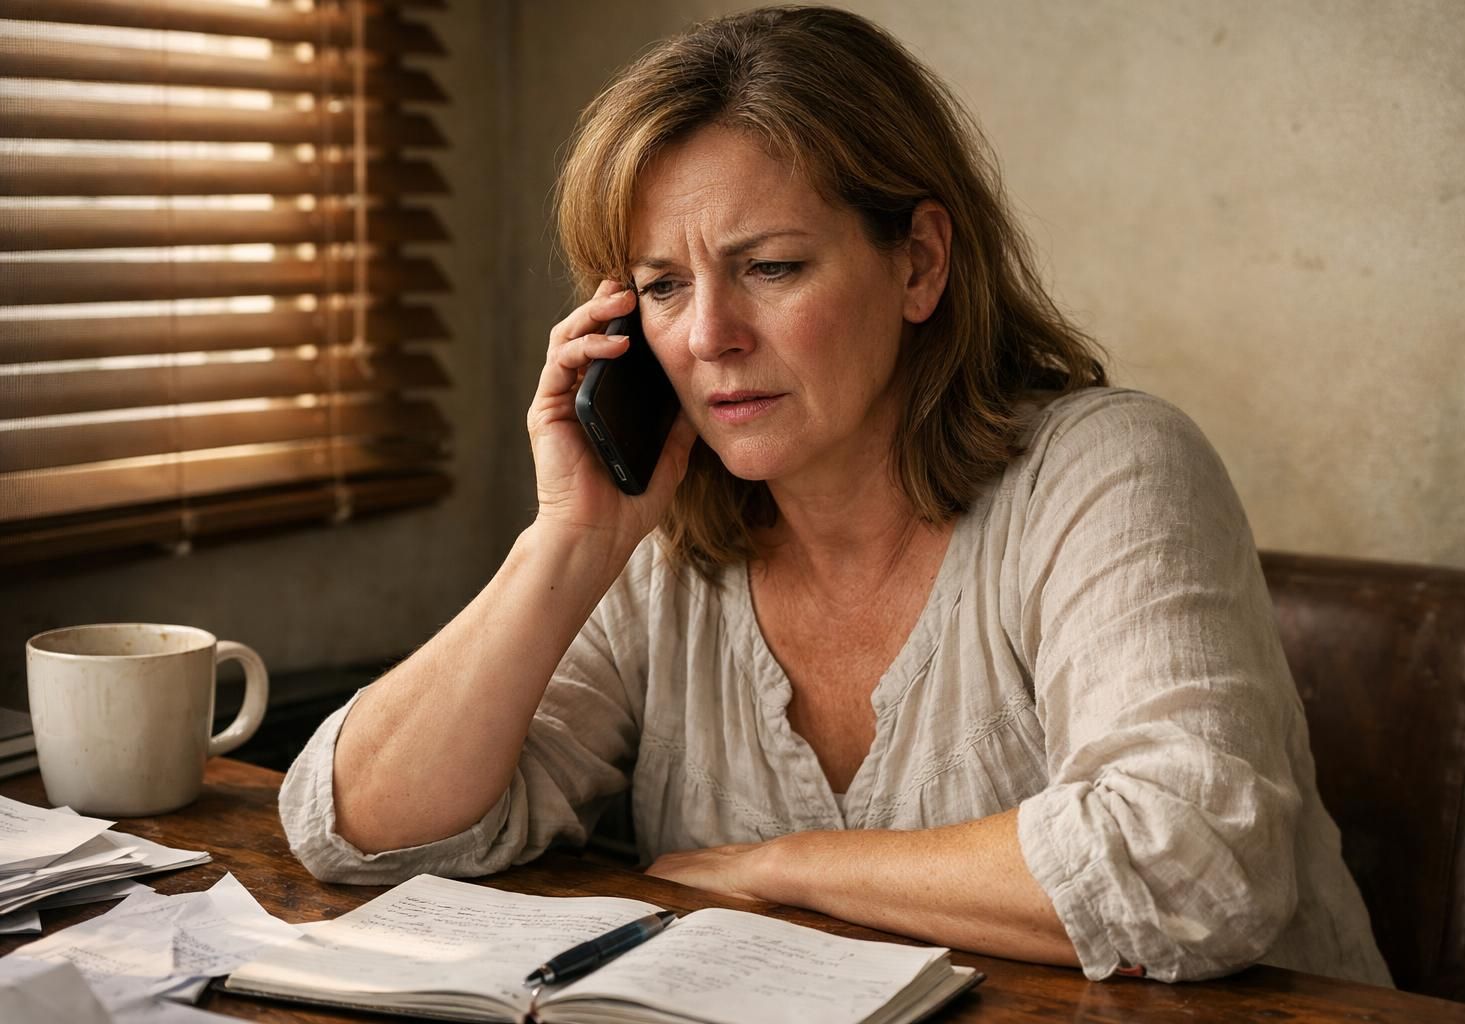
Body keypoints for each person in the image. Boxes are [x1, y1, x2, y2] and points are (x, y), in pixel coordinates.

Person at [280, 5, 1391, 986]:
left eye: (771, 267)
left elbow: (1193, 860)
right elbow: (352, 828)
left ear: (918, 264)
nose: (709, 334)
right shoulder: (661, 541)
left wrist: (783, 864)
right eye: (664, 285)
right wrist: (565, 542)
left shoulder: (1108, 469)